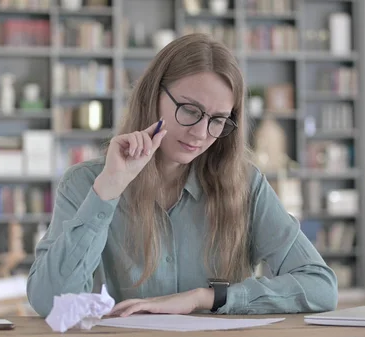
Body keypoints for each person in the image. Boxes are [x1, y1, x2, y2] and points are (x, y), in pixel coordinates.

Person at [26, 33, 338, 318]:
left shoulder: (246, 184)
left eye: (217, 120)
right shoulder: (86, 183)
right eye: (189, 110)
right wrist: (108, 189)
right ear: (153, 96)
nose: (201, 133)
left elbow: (320, 286)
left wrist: (206, 298)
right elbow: (50, 303)